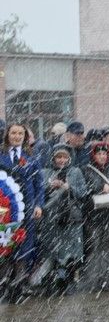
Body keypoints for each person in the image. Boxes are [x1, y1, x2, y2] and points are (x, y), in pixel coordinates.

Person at [1, 122, 45, 300]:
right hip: (4, 210)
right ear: (7, 135)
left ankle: (20, 283)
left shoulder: (31, 159)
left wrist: (38, 205)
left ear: (25, 137)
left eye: (20, 133)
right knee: (5, 244)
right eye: (14, 133)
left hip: (26, 208)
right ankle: (4, 282)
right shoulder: (1, 156)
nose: (17, 136)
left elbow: (39, 185)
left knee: (24, 244)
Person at [40, 144, 88, 295]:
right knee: (54, 250)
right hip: (52, 218)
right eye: (58, 157)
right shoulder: (45, 172)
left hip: (72, 217)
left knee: (73, 251)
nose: (61, 160)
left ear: (69, 158)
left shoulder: (76, 172)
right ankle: (55, 280)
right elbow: (39, 193)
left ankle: (70, 279)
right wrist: (50, 187)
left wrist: (68, 188)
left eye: (64, 157)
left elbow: (83, 193)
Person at [79, 142, 109, 291]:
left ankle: (106, 279)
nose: (102, 156)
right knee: (94, 248)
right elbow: (84, 190)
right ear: (94, 155)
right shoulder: (87, 170)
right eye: (99, 154)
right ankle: (93, 280)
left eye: (104, 154)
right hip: (93, 216)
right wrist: (99, 188)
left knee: (108, 248)